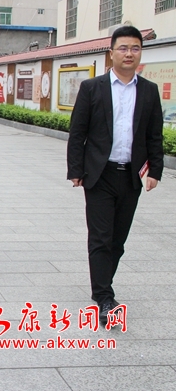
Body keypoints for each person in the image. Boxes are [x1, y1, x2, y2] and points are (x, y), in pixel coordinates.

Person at [67, 25, 164, 325]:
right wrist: (76, 170)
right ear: (111, 53)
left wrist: (155, 170)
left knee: (118, 241)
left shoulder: (148, 90)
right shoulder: (92, 88)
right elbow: (78, 132)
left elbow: (154, 135)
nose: (129, 53)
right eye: (123, 48)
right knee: (100, 237)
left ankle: (101, 285)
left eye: (135, 48)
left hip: (131, 175)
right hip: (100, 174)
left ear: (140, 53)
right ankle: (104, 297)